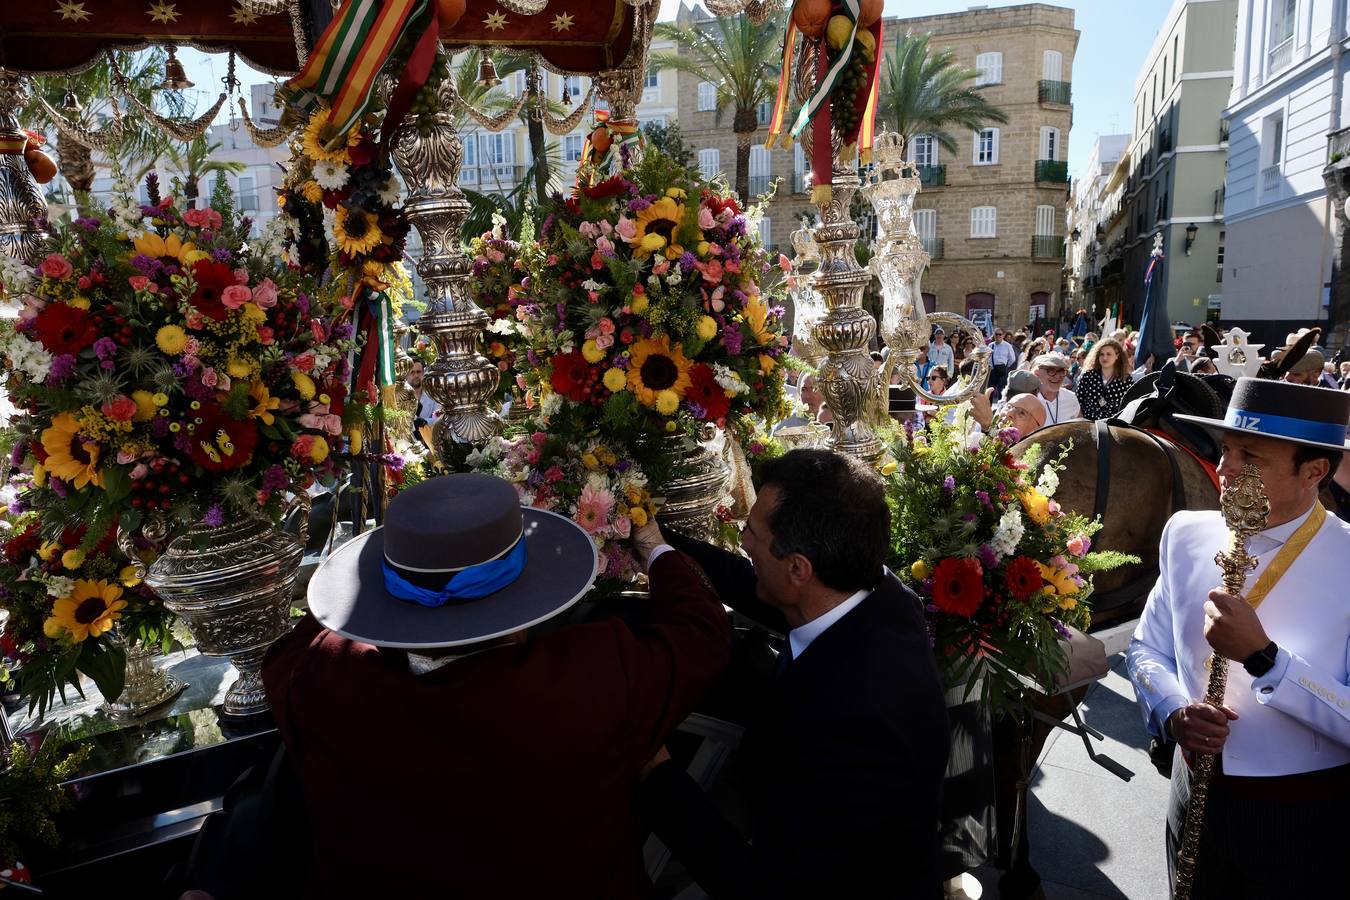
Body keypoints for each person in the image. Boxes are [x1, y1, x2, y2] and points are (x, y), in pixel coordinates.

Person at [263, 474, 731, 898]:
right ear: (524, 590)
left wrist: (394, 567)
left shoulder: (319, 679)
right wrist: (656, 551)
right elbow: (703, 633)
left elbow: (309, 635)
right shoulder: (599, 674)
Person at [638, 450, 951, 899]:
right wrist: (657, 545)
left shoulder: (857, 718)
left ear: (798, 567)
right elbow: (756, 584)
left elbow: (766, 887)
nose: (743, 541)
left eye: (752, 533)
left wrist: (657, 773)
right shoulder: (871, 592)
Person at [1126, 378, 1350, 898]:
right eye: (1225, 450)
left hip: (1303, 817)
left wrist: (1266, 659)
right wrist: (1172, 708)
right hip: (1190, 791)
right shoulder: (1186, 532)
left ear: (1314, 471)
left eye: (1249, 456)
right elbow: (1146, 648)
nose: (1224, 471)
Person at [1076, 338, 1132, 420]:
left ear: (1117, 356)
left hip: (1114, 426)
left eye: (1108, 354)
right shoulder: (1087, 376)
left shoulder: (1126, 379)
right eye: (1101, 354)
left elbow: (1129, 408)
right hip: (1088, 424)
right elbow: (1078, 402)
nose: (1104, 357)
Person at [1032, 352, 1081, 425]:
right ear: (1037, 373)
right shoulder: (1029, 400)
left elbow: (1079, 428)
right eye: (1051, 371)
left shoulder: (1071, 399)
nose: (1057, 376)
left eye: (1061, 371)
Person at [988, 327, 1018, 400]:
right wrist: (990, 366)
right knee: (990, 390)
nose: (998, 336)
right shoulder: (991, 345)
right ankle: (989, 406)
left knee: (1002, 390)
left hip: (1002, 369)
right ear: (994, 335)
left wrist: (1006, 366)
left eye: (1000, 334)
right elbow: (988, 358)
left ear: (1003, 335)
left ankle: (1000, 406)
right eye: (996, 334)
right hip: (992, 369)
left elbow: (1012, 358)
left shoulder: (1007, 346)